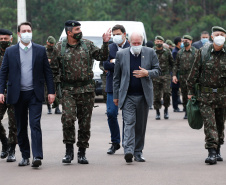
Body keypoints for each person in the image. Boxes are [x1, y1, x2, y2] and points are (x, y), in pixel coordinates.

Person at [51, 20, 110, 164]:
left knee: (85, 123)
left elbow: (102, 56)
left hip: (87, 90)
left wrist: (105, 43)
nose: (80, 31)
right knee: (68, 119)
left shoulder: (87, 44)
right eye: (77, 29)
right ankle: (69, 151)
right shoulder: (59, 47)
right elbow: (53, 70)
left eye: (80, 29)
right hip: (68, 90)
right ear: (69, 32)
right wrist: (54, 91)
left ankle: (82, 152)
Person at [0, 22, 55, 168]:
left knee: (35, 124)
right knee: (21, 126)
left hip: (34, 94)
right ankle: (25, 156)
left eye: (29, 30)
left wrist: (51, 91)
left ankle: (37, 156)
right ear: (18, 33)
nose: (26, 33)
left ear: (32, 32)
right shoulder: (10, 52)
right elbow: (3, 72)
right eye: (23, 31)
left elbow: (47, 73)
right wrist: (1, 91)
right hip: (17, 94)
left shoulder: (40, 50)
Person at [113, 32, 161, 163]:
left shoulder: (150, 52)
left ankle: (138, 152)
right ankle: (128, 150)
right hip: (127, 96)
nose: (136, 45)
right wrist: (116, 95)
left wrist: (147, 73)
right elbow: (116, 77)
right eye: (134, 43)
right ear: (129, 41)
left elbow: (158, 70)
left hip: (143, 96)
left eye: (138, 43)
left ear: (142, 42)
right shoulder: (121, 54)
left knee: (140, 125)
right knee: (129, 123)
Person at [187, 26, 226, 165]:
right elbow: (193, 73)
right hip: (205, 95)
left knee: (220, 124)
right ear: (211, 37)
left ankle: (218, 147)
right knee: (210, 124)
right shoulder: (202, 52)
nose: (220, 36)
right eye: (217, 34)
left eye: (222, 34)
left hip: (223, 96)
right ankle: (211, 152)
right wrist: (190, 92)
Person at [103, 24, 130, 155]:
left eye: (118, 34)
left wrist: (115, 61)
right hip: (112, 85)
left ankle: (127, 142)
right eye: (114, 35)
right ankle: (115, 142)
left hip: (127, 86)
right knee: (111, 113)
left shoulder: (131, 47)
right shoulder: (110, 47)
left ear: (124, 34)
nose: (116, 37)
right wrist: (115, 63)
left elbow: (130, 66)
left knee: (127, 116)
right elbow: (105, 64)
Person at [0, 29, 17, 162]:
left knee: (13, 123)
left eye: (6, 39)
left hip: (13, 91)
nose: (3, 41)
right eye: (1, 39)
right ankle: (4, 142)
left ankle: (11, 150)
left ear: (11, 39)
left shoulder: (16, 52)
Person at [172, 35, 198, 119]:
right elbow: (176, 65)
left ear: (191, 41)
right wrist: (174, 75)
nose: (185, 42)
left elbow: (199, 65)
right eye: (184, 40)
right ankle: (186, 111)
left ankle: (194, 112)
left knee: (194, 94)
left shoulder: (196, 52)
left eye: (187, 40)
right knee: (184, 95)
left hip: (193, 77)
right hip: (183, 78)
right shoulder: (180, 52)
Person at [153, 36, 173, 120]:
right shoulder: (152, 51)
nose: (159, 43)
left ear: (163, 42)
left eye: (160, 41)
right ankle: (157, 112)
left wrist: (172, 74)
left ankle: (166, 110)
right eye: (157, 41)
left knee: (167, 93)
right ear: (155, 42)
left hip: (166, 75)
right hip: (155, 75)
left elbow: (172, 63)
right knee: (156, 95)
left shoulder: (167, 51)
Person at [45, 36, 62, 115]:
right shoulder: (43, 51)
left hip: (56, 74)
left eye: (53, 44)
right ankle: (49, 108)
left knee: (57, 93)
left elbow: (60, 61)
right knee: (47, 92)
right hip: (46, 74)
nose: (52, 45)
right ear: (47, 42)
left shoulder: (56, 51)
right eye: (50, 43)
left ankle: (57, 108)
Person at [171, 37, 183, 112]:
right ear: (179, 43)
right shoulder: (175, 52)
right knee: (175, 91)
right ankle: (175, 107)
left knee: (176, 91)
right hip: (176, 74)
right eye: (181, 41)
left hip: (178, 73)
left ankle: (176, 105)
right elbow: (175, 64)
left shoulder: (178, 50)